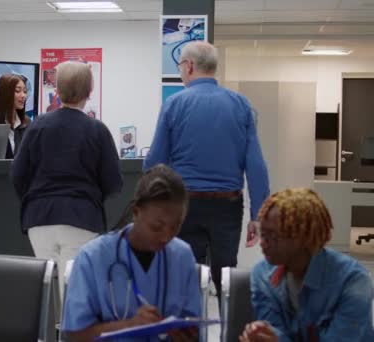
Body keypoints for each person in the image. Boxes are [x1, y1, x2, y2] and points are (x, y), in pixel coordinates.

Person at [144, 41, 270, 302]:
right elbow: (256, 165)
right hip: (227, 206)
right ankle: (230, 331)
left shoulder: (174, 104)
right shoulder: (241, 105)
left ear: (189, 66)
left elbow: (154, 164)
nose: (180, 71)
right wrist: (258, 215)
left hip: (184, 206)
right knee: (225, 279)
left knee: (184, 277)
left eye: (180, 65)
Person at [11, 61, 123, 295]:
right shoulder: (97, 130)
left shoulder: (38, 126)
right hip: (82, 218)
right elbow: (113, 182)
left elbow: (18, 174)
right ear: (89, 92)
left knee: (46, 287)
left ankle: (47, 328)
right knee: (73, 288)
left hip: (39, 217)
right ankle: (69, 330)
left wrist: (33, 197)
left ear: (58, 91)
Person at [62, 164, 201, 342]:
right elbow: (75, 335)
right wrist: (130, 325)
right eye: (156, 227)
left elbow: (194, 330)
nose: (166, 236)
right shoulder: (93, 258)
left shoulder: (182, 256)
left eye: (176, 226)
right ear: (136, 212)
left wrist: (185, 336)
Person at [240, 188, 374, 342]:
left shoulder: (353, 281)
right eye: (262, 234)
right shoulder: (262, 274)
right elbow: (274, 329)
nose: (263, 243)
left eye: (273, 236)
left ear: (302, 237)